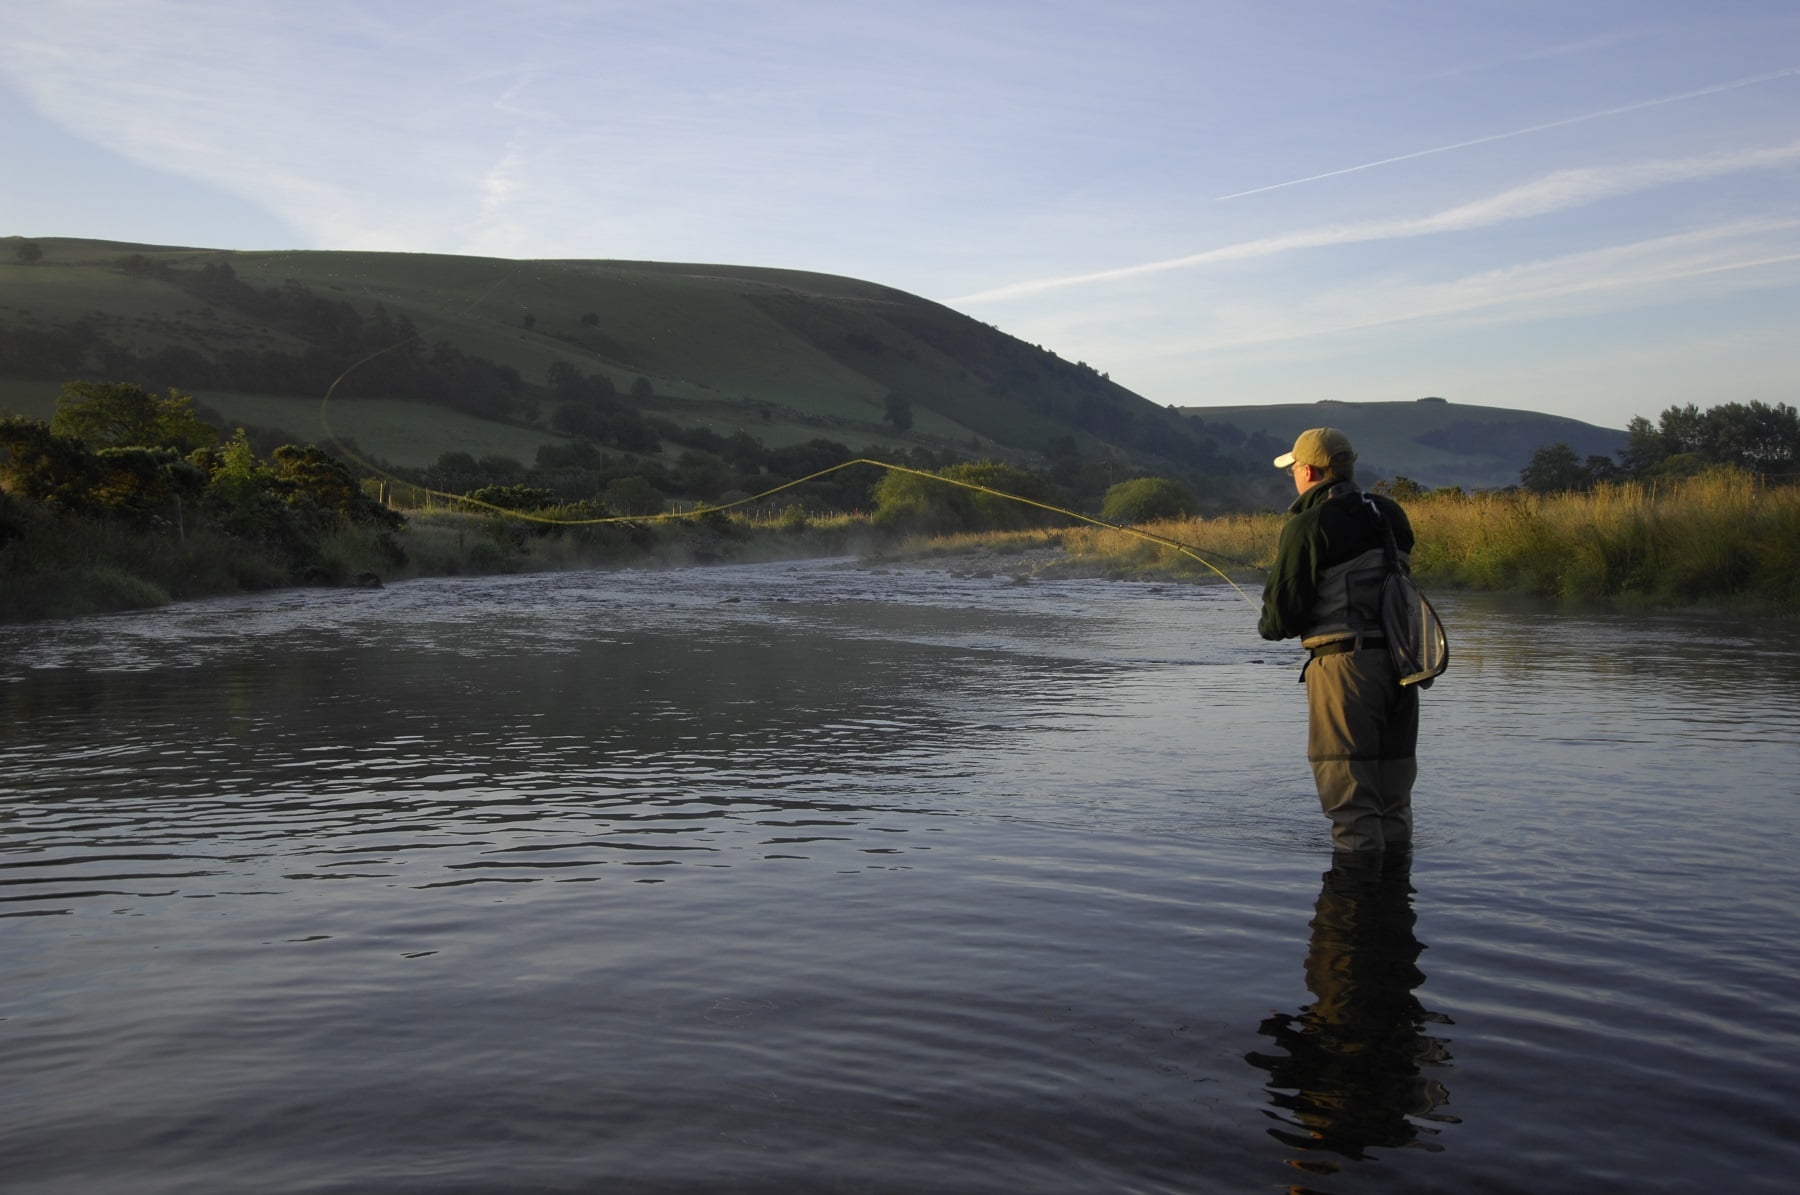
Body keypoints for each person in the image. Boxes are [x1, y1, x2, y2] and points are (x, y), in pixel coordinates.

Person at [1258, 428, 1419, 853]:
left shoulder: (1307, 526)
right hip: (1404, 667)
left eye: (1293, 468)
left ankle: (1352, 913)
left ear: (1308, 469)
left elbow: (1278, 622)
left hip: (1345, 673)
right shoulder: (1391, 514)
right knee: (1393, 803)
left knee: (1353, 809)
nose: (1293, 475)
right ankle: (1394, 907)